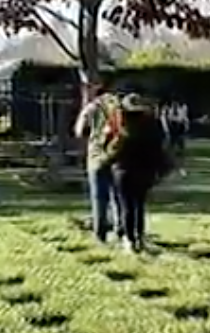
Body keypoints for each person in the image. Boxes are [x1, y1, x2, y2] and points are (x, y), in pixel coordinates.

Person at [105, 92, 172, 253]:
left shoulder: (120, 124)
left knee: (126, 206)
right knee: (139, 205)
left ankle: (129, 238)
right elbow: (160, 146)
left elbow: (109, 146)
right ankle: (139, 237)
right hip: (144, 169)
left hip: (123, 169)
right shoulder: (152, 125)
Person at [74, 82, 121, 243]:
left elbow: (79, 131)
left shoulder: (92, 108)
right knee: (117, 196)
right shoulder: (119, 108)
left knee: (99, 198)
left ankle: (100, 234)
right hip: (116, 156)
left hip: (96, 157)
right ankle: (120, 230)